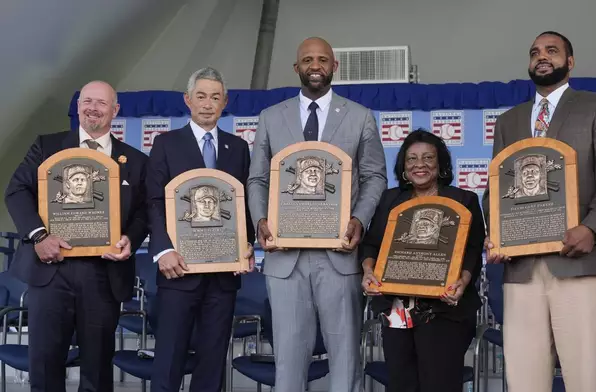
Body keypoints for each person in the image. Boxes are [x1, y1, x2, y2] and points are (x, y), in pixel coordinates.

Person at [482, 31, 596, 392]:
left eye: (552, 50)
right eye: (534, 52)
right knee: (524, 381)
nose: (542, 56)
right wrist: (498, 233)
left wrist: (592, 228)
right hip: (522, 270)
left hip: (582, 262)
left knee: (586, 379)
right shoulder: (509, 120)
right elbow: (496, 189)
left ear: (571, 61)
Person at [247, 37, 387, 392]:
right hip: (284, 258)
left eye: (322, 59)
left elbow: (374, 176)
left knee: (344, 358)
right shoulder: (270, 117)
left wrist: (359, 219)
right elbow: (258, 178)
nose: (315, 65)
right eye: (307, 59)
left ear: (334, 67)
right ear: (296, 68)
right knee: (289, 361)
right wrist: (261, 221)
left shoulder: (359, 117)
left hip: (340, 255)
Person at [4, 80, 149, 392]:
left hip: (104, 274)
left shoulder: (136, 161)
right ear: (78, 106)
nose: (92, 108)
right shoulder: (46, 146)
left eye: (100, 102)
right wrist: (39, 236)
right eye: (86, 101)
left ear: (115, 110)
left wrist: (130, 240)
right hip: (50, 270)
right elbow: (16, 191)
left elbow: (143, 212)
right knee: (44, 364)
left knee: (97, 370)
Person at [147, 67, 255, 392]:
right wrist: (163, 250)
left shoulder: (238, 148)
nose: (208, 104)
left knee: (212, 362)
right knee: (169, 360)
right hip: (177, 271)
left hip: (223, 277)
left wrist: (246, 244)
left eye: (215, 97)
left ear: (225, 102)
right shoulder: (166, 143)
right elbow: (152, 201)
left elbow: (244, 204)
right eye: (201, 96)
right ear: (188, 100)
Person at [361, 130, 485, 392]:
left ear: (440, 164)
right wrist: (368, 272)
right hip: (397, 312)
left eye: (428, 157)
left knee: (440, 384)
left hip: (445, 311)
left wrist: (462, 282)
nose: (420, 164)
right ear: (403, 167)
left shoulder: (464, 200)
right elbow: (371, 244)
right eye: (412, 159)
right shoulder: (389, 199)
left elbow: (473, 252)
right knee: (402, 384)